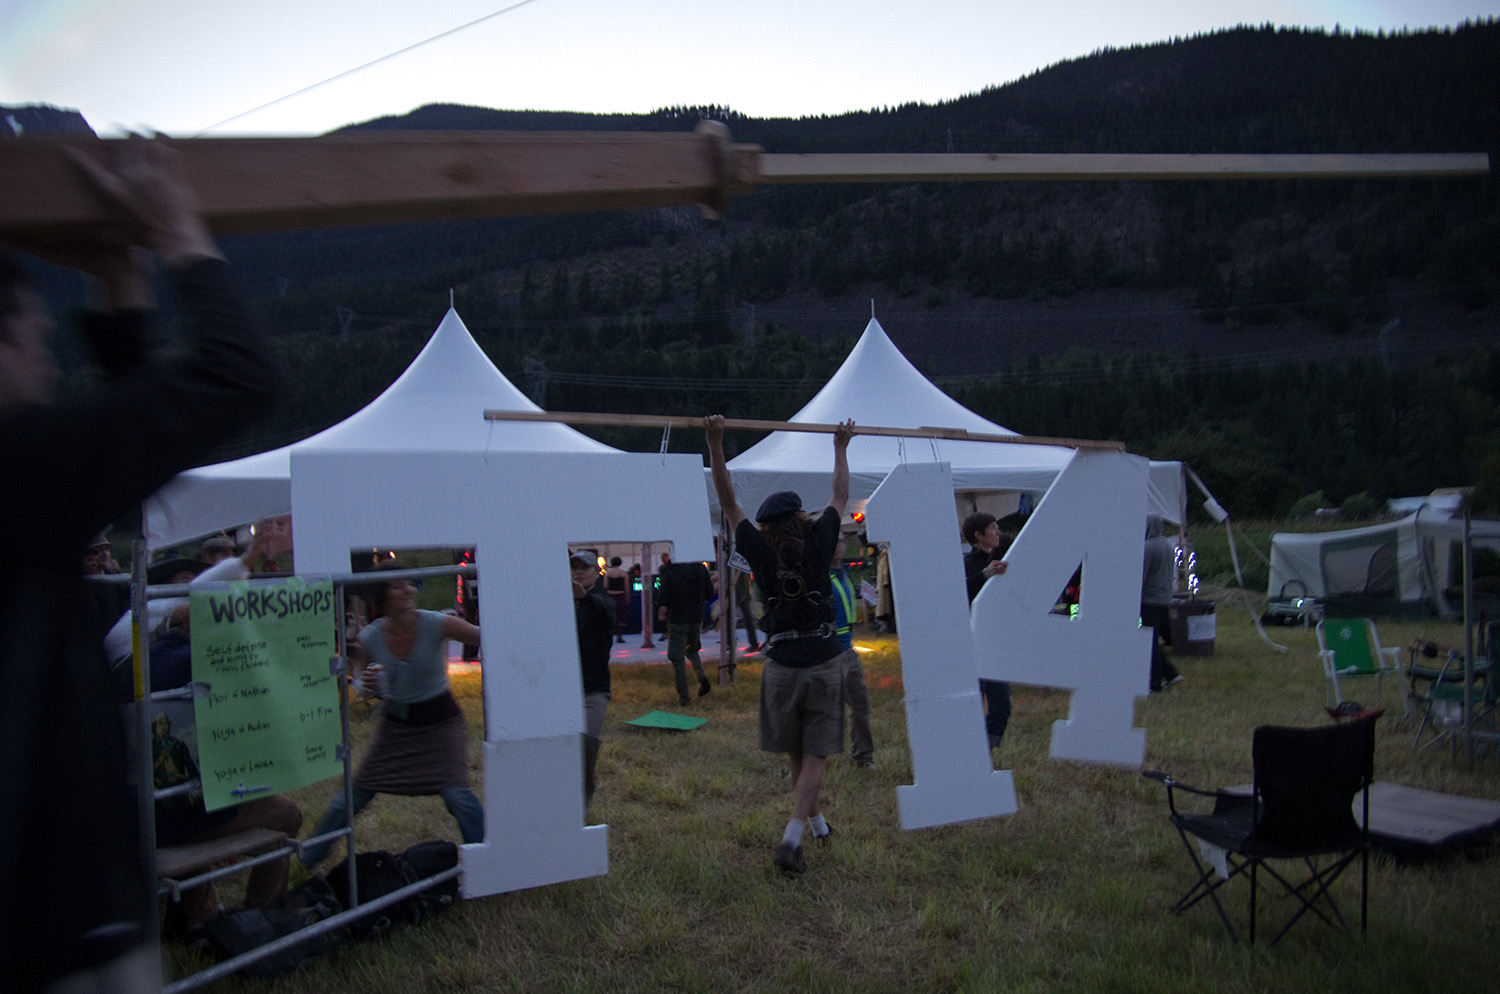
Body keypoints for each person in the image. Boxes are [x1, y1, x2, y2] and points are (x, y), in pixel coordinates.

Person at [0, 134, 284, 993]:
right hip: (55, 931)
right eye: (34, 339)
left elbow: (111, 460)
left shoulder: (30, 491)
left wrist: (117, 285)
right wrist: (180, 236)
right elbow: (241, 376)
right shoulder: (17, 468)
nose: (53, 363)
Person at [706, 413, 855, 875]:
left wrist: (715, 442)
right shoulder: (819, 538)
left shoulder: (755, 546)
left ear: (767, 524)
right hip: (824, 658)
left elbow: (727, 498)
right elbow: (840, 494)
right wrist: (840, 446)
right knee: (817, 751)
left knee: (796, 749)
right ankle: (793, 834)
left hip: (782, 663)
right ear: (798, 517)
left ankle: (820, 826)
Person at [302, 562, 484, 865]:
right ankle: (306, 862)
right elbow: (359, 678)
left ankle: (490, 864)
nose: (408, 589)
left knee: (458, 797)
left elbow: (486, 636)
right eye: (397, 585)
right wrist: (366, 684)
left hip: (441, 723)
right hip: (396, 727)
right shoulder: (370, 637)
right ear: (381, 594)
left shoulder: (437, 623)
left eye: (410, 583)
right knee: (349, 800)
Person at [140, 605, 303, 937]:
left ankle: (199, 916)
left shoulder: (130, 661)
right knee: (286, 815)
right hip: (188, 816)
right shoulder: (207, 662)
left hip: (139, 816)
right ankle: (260, 914)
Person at [962, 512, 1013, 750]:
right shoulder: (967, 563)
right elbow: (960, 593)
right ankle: (972, 751)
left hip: (994, 643)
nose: (998, 532)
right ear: (978, 535)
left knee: (1001, 705)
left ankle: (984, 749)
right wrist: (985, 574)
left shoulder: (1000, 561)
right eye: (993, 528)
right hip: (972, 644)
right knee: (971, 703)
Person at [571, 551, 617, 807]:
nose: (578, 571)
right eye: (574, 567)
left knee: (586, 742)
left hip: (593, 691)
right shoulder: (558, 601)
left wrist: (583, 599)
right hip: (562, 688)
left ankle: (583, 801)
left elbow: (606, 613)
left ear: (596, 572)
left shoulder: (601, 601)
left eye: (584, 567)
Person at [830, 552, 875, 769]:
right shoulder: (822, 576)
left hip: (847, 649)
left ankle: (863, 756)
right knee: (819, 709)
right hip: (828, 651)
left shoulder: (843, 574)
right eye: (835, 541)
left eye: (841, 541)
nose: (839, 546)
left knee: (860, 704)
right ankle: (804, 761)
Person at [656, 553, 715, 704]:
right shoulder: (701, 569)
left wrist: (662, 611)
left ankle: (684, 698)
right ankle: (701, 676)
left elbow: (664, 595)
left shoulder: (670, 570)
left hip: (677, 618)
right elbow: (710, 593)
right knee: (692, 649)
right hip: (696, 617)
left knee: (677, 658)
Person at [1142, 514, 1184, 692]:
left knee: (1149, 641)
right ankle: (1169, 674)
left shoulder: (1148, 547)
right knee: (1153, 638)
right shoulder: (1167, 545)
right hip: (1164, 598)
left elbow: (1142, 575)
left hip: (1149, 599)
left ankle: (1157, 680)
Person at [604, 556, 630, 644]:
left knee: (610, 615)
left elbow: (605, 585)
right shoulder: (623, 573)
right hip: (620, 595)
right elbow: (626, 586)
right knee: (621, 615)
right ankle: (619, 636)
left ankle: (610, 634)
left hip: (610, 595)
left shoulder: (608, 573)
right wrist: (627, 597)